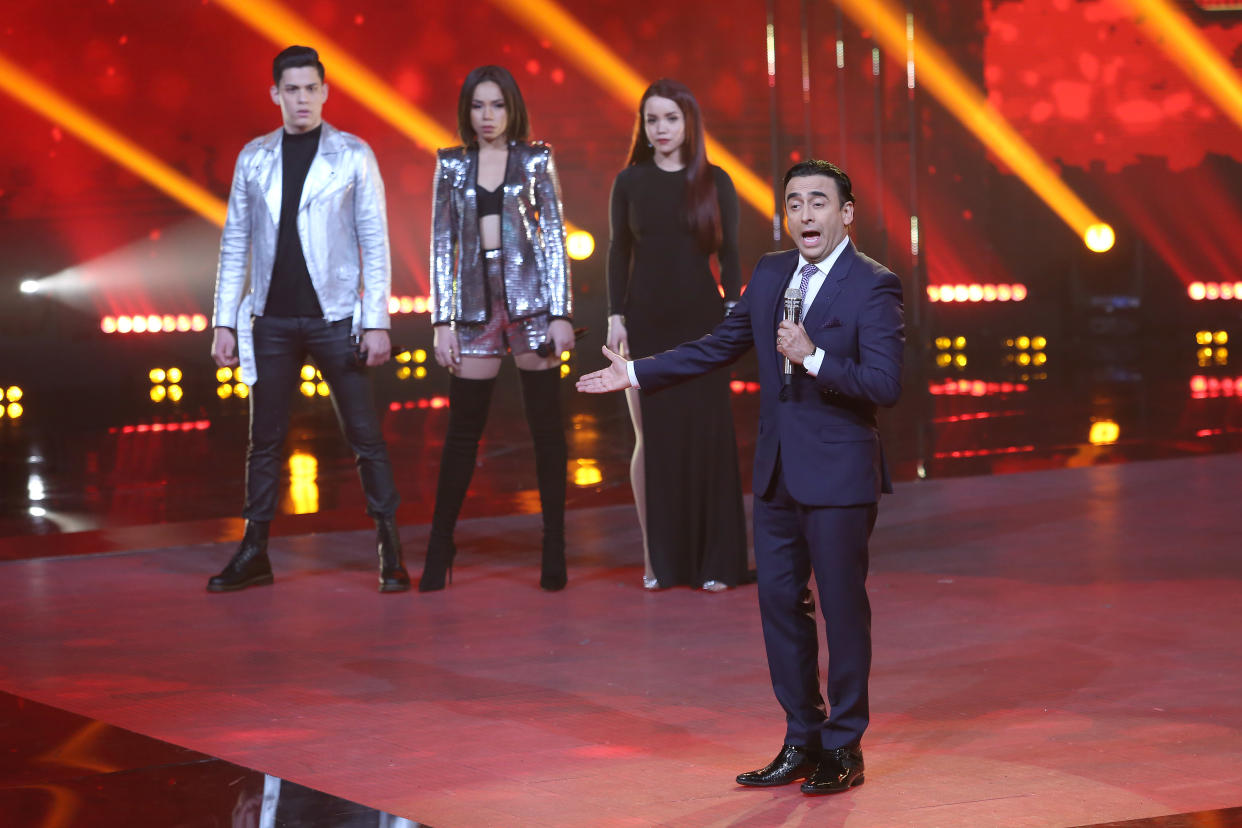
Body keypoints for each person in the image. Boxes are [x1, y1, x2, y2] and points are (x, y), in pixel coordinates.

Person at [578, 160, 904, 795]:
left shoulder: (874, 285)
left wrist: (812, 357)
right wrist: (637, 372)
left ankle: (845, 745)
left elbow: (885, 386)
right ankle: (800, 738)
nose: (805, 215)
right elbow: (718, 345)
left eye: (818, 202)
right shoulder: (771, 272)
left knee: (841, 611)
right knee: (780, 606)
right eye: (793, 203)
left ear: (847, 213)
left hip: (839, 474)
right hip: (777, 474)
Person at [208, 45, 407, 594]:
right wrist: (224, 321)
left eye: (310, 88)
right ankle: (255, 551)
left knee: (365, 437)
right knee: (264, 440)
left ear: (324, 91)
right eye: (290, 89)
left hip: (336, 316)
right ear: (275, 93)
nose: (301, 98)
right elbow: (235, 243)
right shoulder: (254, 157)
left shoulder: (352, 154)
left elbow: (375, 242)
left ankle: (389, 547)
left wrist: (376, 321)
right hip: (268, 319)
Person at [421, 65, 574, 593]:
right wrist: (441, 320)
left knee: (546, 432)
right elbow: (441, 245)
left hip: (531, 305)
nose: (487, 116)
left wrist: (562, 313)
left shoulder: (536, 160)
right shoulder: (451, 165)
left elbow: (554, 239)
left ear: (513, 109)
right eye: (478, 106)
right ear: (466, 111)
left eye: (497, 106)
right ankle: (441, 545)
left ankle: (553, 545)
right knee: (463, 433)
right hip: (472, 310)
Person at [606, 79, 749, 592]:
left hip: (702, 324)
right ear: (642, 127)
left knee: (708, 439)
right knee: (654, 439)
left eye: (670, 118)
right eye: (652, 120)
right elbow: (618, 252)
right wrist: (614, 315)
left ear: (689, 123)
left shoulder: (716, 180)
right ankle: (658, 560)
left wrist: (735, 311)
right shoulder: (629, 182)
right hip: (644, 321)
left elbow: (731, 253)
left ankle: (717, 561)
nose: (661, 129)